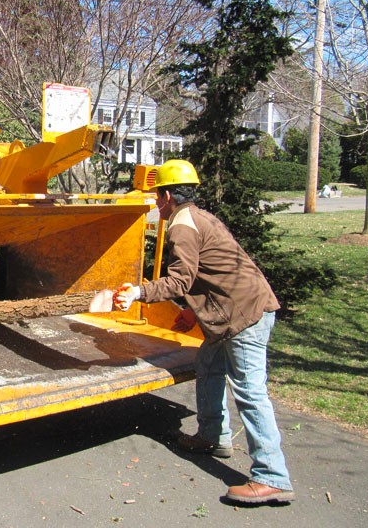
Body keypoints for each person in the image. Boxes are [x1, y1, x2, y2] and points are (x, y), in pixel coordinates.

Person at [113, 159, 294, 505]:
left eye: (156, 196)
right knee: (208, 367)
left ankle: (273, 476)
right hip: (230, 312)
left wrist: (138, 293)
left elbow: (182, 280)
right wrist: (194, 316)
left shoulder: (182, 226)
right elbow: (212, 273)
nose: (154, 202)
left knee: (250, 392)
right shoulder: (200, 216)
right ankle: (213, 435)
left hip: (243, 316)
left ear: (167, 195)